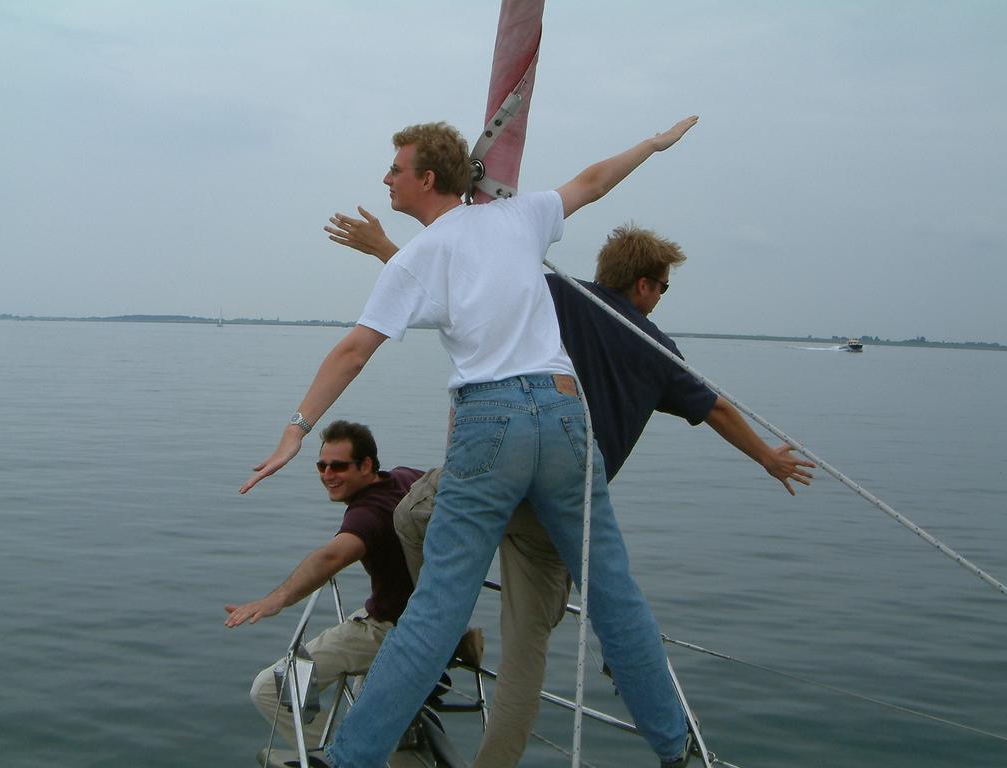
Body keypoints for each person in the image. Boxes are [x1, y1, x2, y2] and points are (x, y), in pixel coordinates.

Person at [241, 115, 703, 767]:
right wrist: (651, 146)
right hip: (566, 416)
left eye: (395, 169)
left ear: (427, 178)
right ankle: (676, 749)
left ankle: (349, 760)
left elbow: (353, 350)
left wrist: (295, 429)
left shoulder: (417, 257)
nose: (386, 179)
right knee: (614, 594)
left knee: (435, 611)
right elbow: (594, 181)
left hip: (490, 423)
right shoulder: (520, 217)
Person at [331, 216, 816, 767]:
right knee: (525, 654)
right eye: (663, 287)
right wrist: (768, 458)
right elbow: (718, 409)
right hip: (561, 508)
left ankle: (444, 632)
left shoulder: (553, 293)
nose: (661, 298)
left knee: (411, 516)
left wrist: (383, 247)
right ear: (643, 285)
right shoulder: (654, 347)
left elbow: (460, 293)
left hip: (495, 473)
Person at [226, 420, 422, 750]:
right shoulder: (405, 478)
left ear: (366, 465)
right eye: (322, 465)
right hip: (427, 616)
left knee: (270, 690)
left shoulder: (367, 514)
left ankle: (337, 756)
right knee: (363, 688)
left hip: (391, 628)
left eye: (339, 466)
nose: (328, 475)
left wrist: (276, 600)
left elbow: (331, 557)